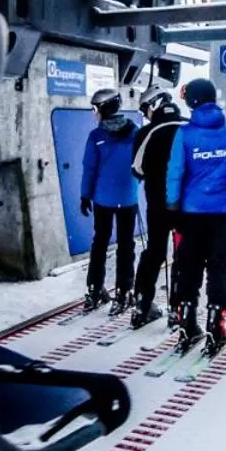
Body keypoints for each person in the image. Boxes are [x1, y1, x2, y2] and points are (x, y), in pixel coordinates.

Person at [165, 78, 226, 354]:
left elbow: (175, 172)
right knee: (219, 268)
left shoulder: (184, 134)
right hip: (222, 214)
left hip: (190, 214)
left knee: (188, 267)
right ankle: (217, 325)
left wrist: (171, 206)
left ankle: (187, 324)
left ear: (191, 101)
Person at [129, 87, 186, 327]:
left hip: (157, 203)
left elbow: (137, 168)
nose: (145, 114)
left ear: (155, 104)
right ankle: (179, 308)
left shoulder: (146, 132)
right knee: (184, 253)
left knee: (155, 252)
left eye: (145, 108)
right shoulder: (189, 127)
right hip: (186, 203)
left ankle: (142, 305)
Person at [80, 87, 140, 314]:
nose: (93, 113)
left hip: (102, 199)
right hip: (127, 198)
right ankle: (124, 291)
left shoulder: (96, 136)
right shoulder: (135, 132)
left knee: (100, 242)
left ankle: (94, 289)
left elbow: (89, 169)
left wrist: (85, 195)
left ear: (103, 109)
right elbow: (141, 164)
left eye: (94, 108)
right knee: (126, 244)